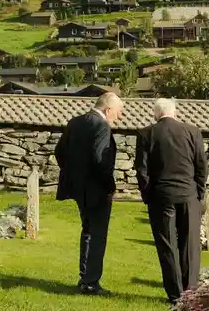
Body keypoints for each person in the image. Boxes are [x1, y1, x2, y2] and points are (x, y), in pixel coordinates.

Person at [135, 98, 208, 304]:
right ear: (175, 112)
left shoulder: (146, 133)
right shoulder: (193, 132)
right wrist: (199, 192)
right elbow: (201, 166)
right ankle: (191, 291)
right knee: (190, 245)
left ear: (156, 114)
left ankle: (175, 295)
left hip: (161, 196)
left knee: (167, 244)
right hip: (188, 194)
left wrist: (148, 194)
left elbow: (142, 170)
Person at [55, 92, 125, 296]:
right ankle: (91, 282)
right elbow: (99, 159)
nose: (118, 118)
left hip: (78, 189)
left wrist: (74, 175)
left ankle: (85, 277)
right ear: (108, 109)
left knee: (87, 231)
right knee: (97, 235)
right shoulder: (101, 126)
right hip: (97, 189)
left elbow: (59, 151)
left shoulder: (75, 122)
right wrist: (110, 186)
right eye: (118, 113)